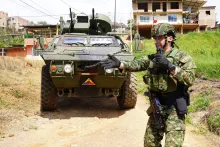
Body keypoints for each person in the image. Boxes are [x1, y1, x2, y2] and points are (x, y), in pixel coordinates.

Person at [97, 23, 196, 147]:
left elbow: (190, 79)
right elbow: (137, 64)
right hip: (157, 107)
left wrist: (170, 66)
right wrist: (120, 64)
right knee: (149, 144)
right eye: (155, 38)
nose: (156, 41)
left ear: (169, 38)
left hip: (174, 108)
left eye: (159, 38)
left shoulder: (183, 57)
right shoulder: (152, 58)